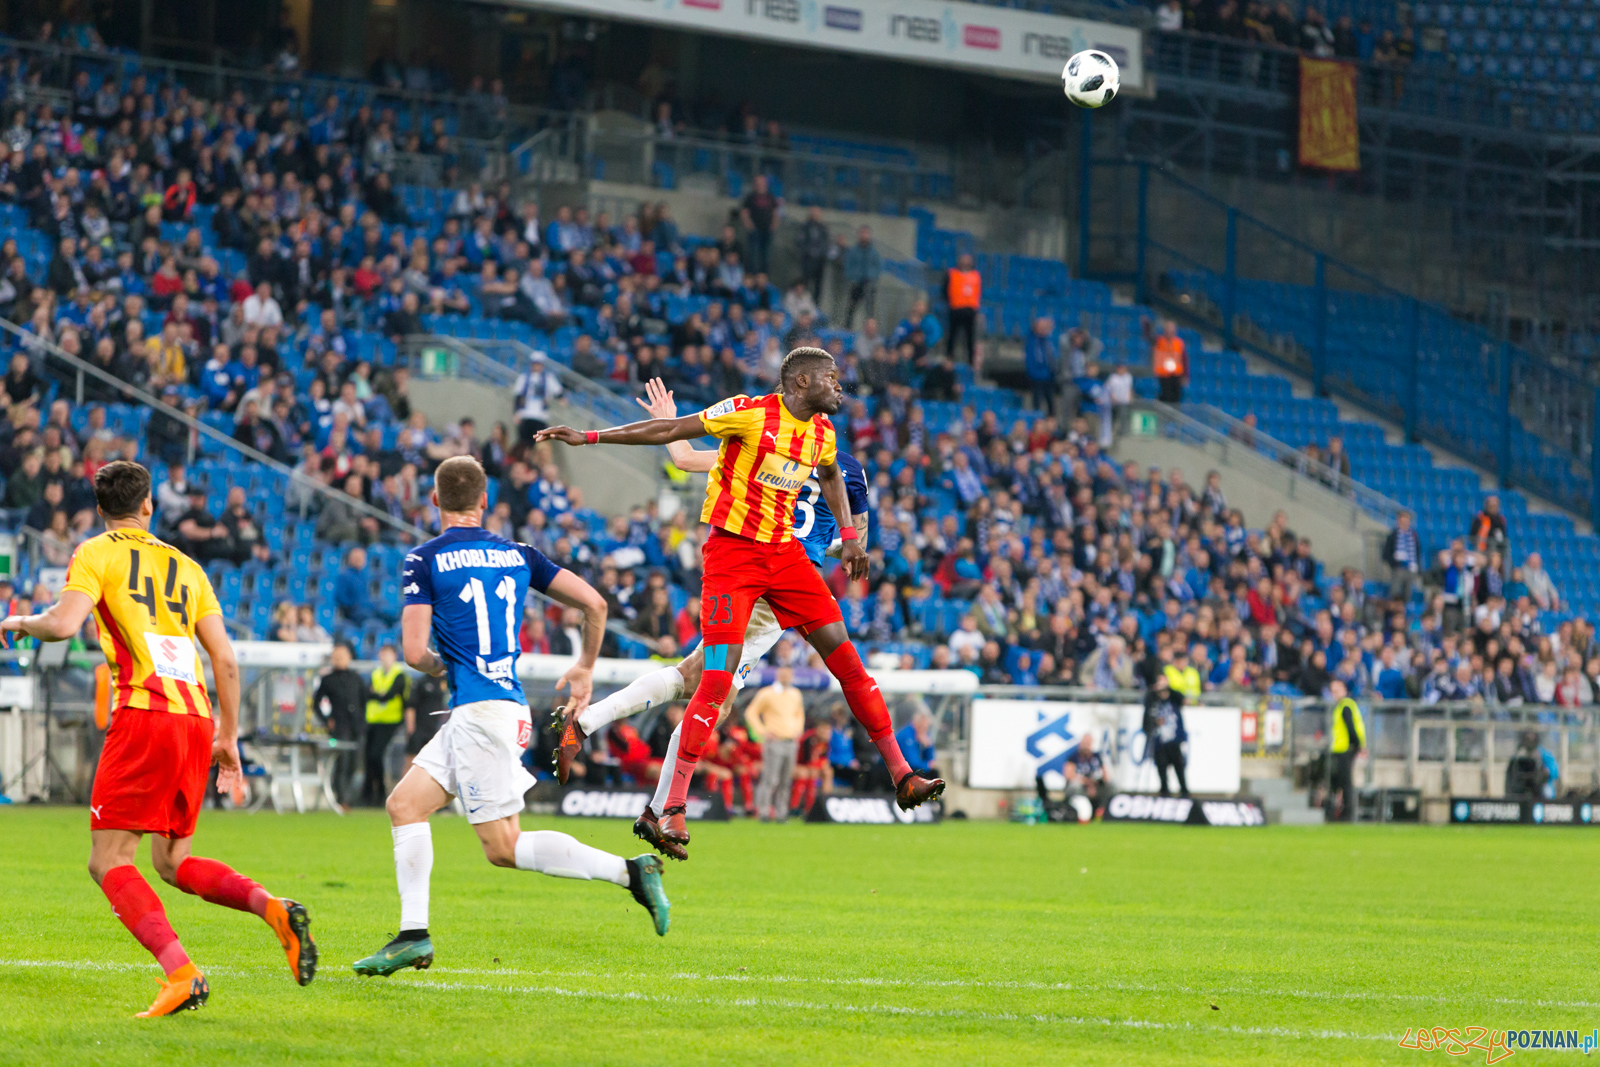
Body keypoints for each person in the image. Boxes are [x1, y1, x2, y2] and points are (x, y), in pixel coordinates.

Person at [537, 350, 943, 854]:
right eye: (832, 378)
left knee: (844, 666)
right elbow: (676, 443)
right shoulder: (750, 415)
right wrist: (591, 435)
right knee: (711, 683)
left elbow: (833, 476)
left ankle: (902, 774)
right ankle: (667, 807)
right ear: (801, 380)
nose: (842, 387)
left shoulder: (823, 437)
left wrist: (849, 536)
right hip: (733, 562)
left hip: (789, 562)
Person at [1, 461, 316, 1017]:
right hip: (195, 719)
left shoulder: (96, 553)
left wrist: (23, 621)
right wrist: (230, 735)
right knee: (172, 861)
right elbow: (224, 657)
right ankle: (272, 907)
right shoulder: (187, 566)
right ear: (149, 506)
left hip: (144, 714)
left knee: (109, 859)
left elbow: (65, 623)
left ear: (101, 510)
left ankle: (182, 972)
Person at [352, 456, 670, 977]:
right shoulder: (519, 553)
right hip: (492, 708)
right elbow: (594, 603)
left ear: (434, 500)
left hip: (481, 714)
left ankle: (631, 873)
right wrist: (585, 668)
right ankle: (412, 935)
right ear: (485, 503)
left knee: (503, 847)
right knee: (405, 805)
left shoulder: (422, 560)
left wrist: (440, 667)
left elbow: (413, 652)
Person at [744, 665, 805, 821]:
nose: (786, 677)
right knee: (770, 779)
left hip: (791, 741)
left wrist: (798, 730)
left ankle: (781, 813)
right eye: (783, 673)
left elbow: (799, 714)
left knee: (785, 780)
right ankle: (763, 811)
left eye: (788, 674)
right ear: (778, 674)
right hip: (774, 741)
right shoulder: (767, 693)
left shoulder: (795, 693)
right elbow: (751, 713)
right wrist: (763, 731)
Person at [314, 641, 367, 809]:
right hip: (340, 726)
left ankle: (350, 798)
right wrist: (327, 720)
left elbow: (364, 700)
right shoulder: (328, 680)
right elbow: (316, 704)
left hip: (356, 726)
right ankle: (340, 798)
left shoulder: (356, 678)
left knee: (354, 762)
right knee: (341, 761)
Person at [363, 644, 408, 807]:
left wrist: (376, 695)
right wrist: (377, 695)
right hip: (373, 720)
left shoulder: (399, 675)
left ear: (394, 656)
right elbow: (367, 693)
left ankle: (380, 793)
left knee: (377, 755)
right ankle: (369, 795)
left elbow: (388, 695)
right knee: (369, 757)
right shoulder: (375, 674)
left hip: (390, 721)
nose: (385, 658)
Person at [1143, 672, 1189, 797]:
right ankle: (1164, 797)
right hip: (1160, 744)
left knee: (1180, 772)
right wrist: (1155, 723)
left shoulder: (1173, 698)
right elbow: (1146, 723)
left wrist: (1168, 688)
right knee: (1162, 775)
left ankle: (1185, 797)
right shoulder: (1152, 700)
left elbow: (1182, 698)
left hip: (1174, 743)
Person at [1327, 677, 1364, 821]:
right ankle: (1342, 812)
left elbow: (1350, 727)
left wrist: (1355, 745)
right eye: (1332, 691)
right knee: (1342, 782)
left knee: (1345, 783)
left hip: (1345, 749)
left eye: (1337, 690)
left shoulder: (1345, 706)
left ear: (1344, 690)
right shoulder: (1343, 705)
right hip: (1342, 749)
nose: (1334, 693)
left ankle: (1347, 814)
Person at [404, 670, 448, 774]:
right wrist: (411, 729)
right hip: (420, 728)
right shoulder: (421, 681)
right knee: (412, 761)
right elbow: (410, 707)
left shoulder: (446, 681)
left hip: (436, 729)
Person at [945, 252, 981, 365]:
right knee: (952, 334)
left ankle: (970, 360)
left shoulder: (975, 275)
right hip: (955, 308)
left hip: (970, 310)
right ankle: (949, 357)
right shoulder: (952, 273)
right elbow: (945, 289)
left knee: (970, 336)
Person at [842, 227, 881, 327]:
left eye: (866, 233)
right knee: (851, 307)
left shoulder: (874, 252)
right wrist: (852, 277)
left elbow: (878, 267)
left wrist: (872, 277)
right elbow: (848, 265)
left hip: (869, 282)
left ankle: (870, 328)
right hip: (856, 282)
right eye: (862, 233)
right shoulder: (853, 251)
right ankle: (848, 327)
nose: (864, 235)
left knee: (870, 309)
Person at [1384, 510, 1422, 606]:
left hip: (1411, 568)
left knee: (1407, 593)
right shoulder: (1394, 534)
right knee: (1395, 592)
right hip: (1399, 568)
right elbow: (1387, 551)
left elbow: (1417, 552)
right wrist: (1393, 564)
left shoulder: (1413, 535)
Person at [1152, 320, 1187, 404]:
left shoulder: (1179, 342)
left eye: (1172, 329)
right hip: (1164, 374)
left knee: (1176, 398)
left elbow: (1184, 359)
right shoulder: (1159, 341)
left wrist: (1185, 375)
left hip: (1176, 374)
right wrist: (1146, 325)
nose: (1170, 332)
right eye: (1168, 329)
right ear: (1165, 330)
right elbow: (1148, 337)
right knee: (1166, 396)